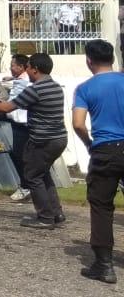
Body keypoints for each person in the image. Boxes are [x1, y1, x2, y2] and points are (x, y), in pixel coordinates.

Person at [0, 52, 67, 229]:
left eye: (29, 67)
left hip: (42, 140)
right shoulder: (55, 86)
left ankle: (45, 217)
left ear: (36, 69)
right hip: (59, 138)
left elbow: (8, 107)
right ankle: (56, 212)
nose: (28, 70)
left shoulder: (35, 89)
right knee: (43, 174)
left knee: (32, 176)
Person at [71, 39, 124, 284]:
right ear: (112, 58)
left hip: (106, 148)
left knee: (102, 205)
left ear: (89, 61)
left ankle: (104, 265)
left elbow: (78, 123)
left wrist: (90, 143)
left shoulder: (85, 88)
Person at [0, 54, 31, 201]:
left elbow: (13, 103)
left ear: (22, 67)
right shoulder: (23, 80)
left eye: (13, 65)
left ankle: (25, 186)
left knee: (18, 155)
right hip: (24, 122)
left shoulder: (22, 82)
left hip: (20, 123)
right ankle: (27, 186)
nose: (11, 68)